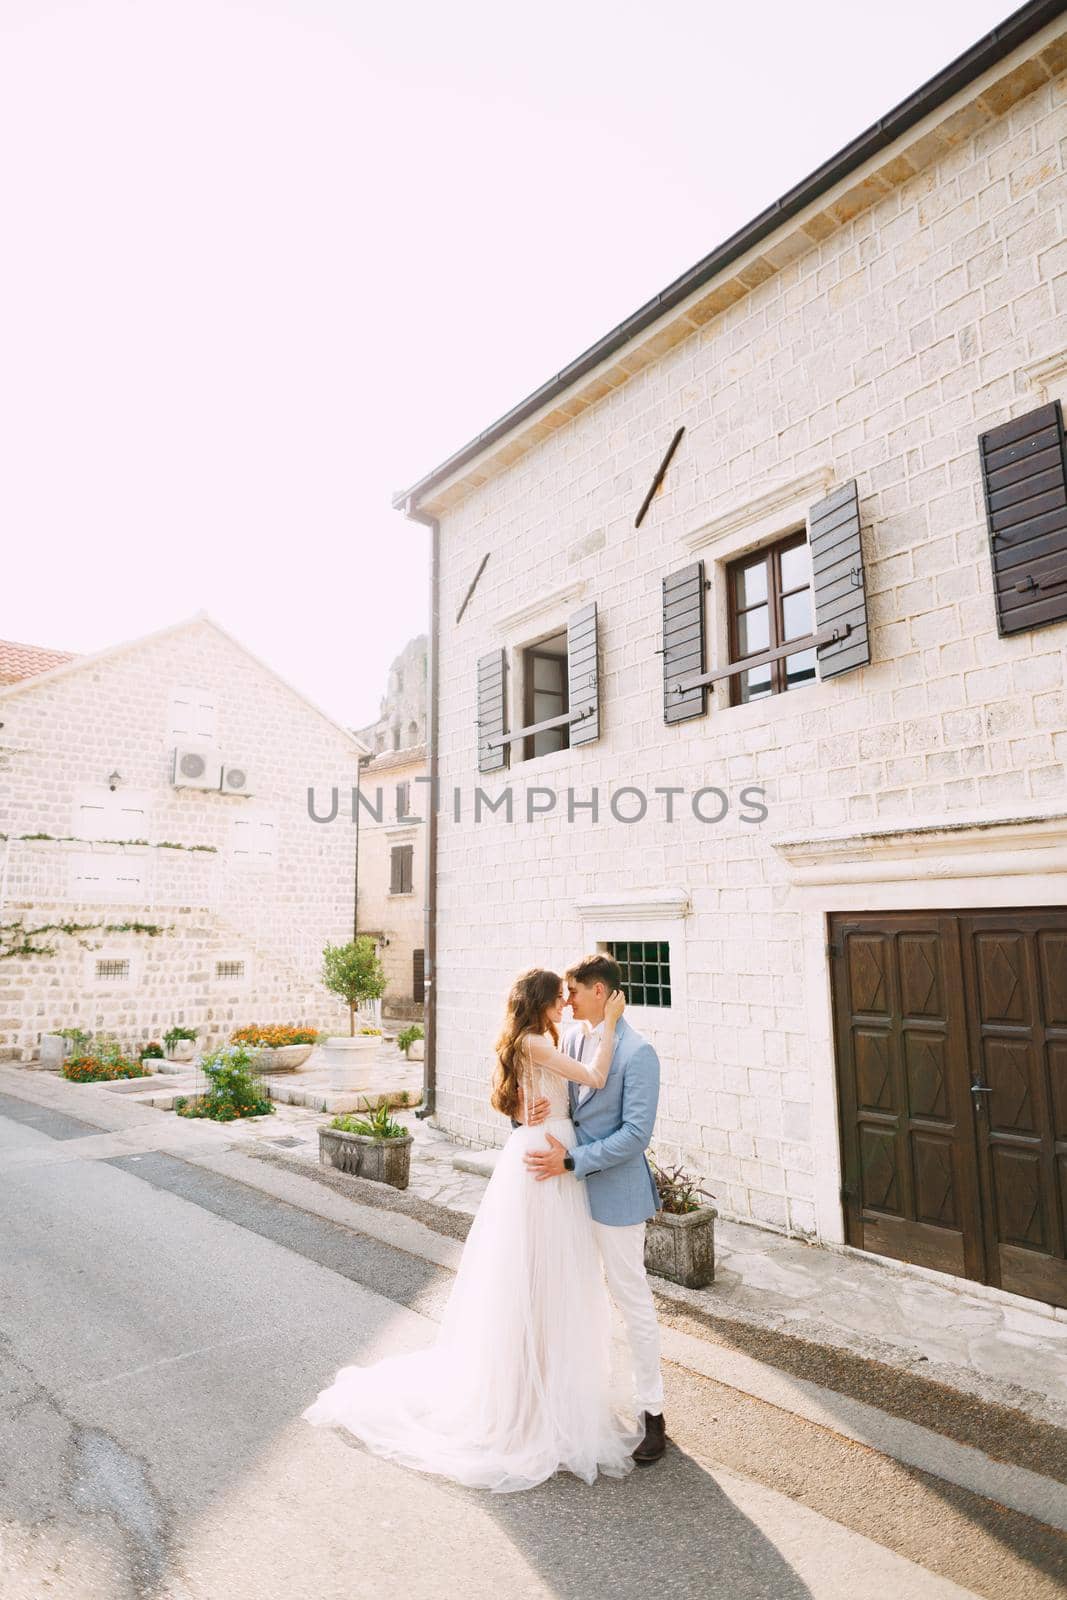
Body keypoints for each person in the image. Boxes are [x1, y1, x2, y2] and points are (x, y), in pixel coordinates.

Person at [301, 967, 643, 1493]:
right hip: (545, 1157)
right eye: (558, 997)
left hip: (548, 1147)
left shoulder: (539, 1040)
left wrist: (524, 1107)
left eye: (568, 995)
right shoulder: (537, 1041)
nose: (564, 1003)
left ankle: (543, 1382)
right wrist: (613, 1026)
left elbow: (523, 1094)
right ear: (541, 1003)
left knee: (549, 1270)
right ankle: (527, 1394)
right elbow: (595, 1079)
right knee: (539, 1270)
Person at [524, 953, 667, 1464]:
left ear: (601, 991)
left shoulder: (640, 1052)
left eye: (575, 991)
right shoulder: (576, 1039)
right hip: (567, 1194)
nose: (567, 1000)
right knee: (572, 1296)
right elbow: (565, 1099)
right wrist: (540, 1109)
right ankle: (574, 1399)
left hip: (614, 1195)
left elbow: (635, 1136)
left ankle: (652, 1415)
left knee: (632, 1301)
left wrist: (571, 1161)